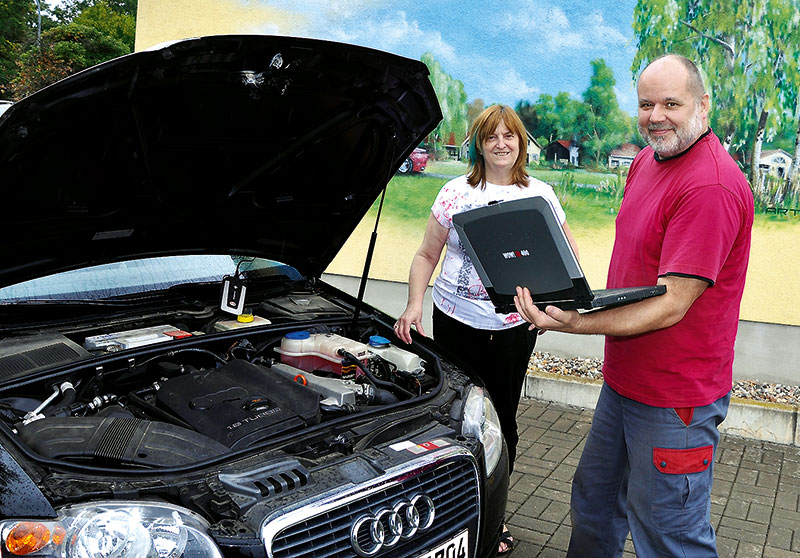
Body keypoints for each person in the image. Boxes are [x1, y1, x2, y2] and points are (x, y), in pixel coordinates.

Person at [514, 54, 754, 557]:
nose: (656, 116)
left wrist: (576, 321)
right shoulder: (648, 160)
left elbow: (670, 303)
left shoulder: (710, 185)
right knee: (595, 506)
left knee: (668, 536)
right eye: (646, 104)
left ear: (703, 104)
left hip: (675, 398)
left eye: (671, 103)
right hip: (624, 381)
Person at [394, 104, 579, 555]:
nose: (501, 144)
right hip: (456, 322)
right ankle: (449, 514)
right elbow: (426, 256)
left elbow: (566, 261)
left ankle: (492, 520)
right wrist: (414, 304)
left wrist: (557, 310)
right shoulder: (455, 193)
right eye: (491, 136)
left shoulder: (541, 196)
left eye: (509, 136)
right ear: (478, 143)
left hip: (513, 328)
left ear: (521, 143)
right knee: (454, 420)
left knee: (501, 422)